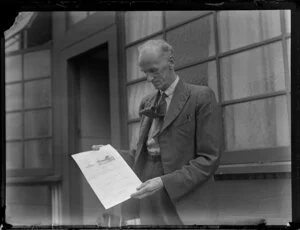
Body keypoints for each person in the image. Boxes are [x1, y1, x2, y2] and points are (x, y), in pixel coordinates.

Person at [122, 39, 221, 225]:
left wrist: (164, 182)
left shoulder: (201, 97)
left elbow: (209, 159)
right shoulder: (147, 102)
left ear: (171, 62)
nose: (149, 79)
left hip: (185, 195)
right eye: (145, 72)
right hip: (148, 192)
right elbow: (140, 154)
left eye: (154, 70)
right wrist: (108, 155)